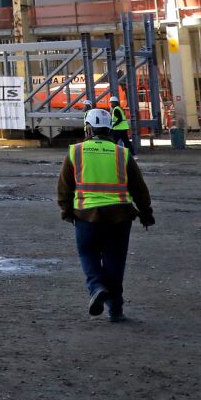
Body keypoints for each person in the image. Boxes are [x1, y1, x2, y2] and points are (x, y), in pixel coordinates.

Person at [58, 107, 155, 323]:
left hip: (86, 215)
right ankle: (115, 309)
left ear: (89, 129)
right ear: (110, 129)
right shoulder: (122, 153)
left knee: (88, 254)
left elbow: (65, 186)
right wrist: (146, 214)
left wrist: (66, 210)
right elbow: (139, 188)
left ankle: (97, 287)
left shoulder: (76, 151)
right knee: (115, 261)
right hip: (119, 217)